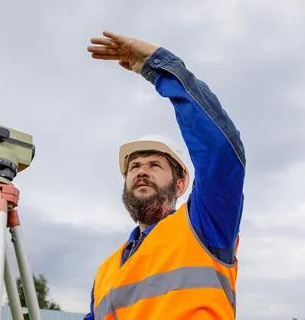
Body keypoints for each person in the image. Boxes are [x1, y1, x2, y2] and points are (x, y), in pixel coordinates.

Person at [84, 31, 245, 320]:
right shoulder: (106, 270)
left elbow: (219, 152)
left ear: (180, 184)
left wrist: (160, 66)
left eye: (154, 164)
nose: (141, 171)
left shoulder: (203, 225)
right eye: (134, 167)